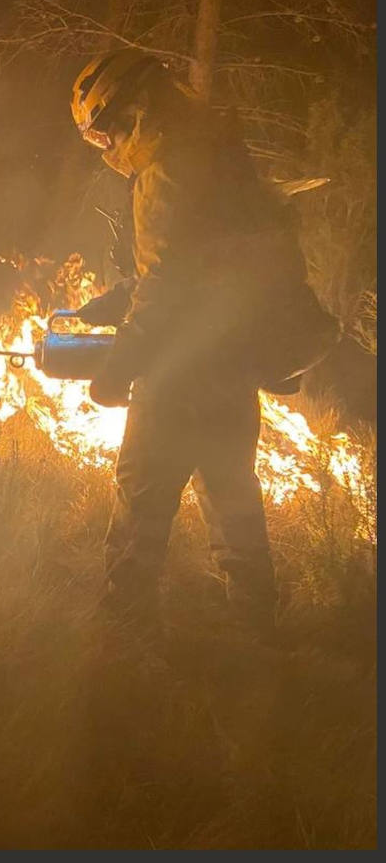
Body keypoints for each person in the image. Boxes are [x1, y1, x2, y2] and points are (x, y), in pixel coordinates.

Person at [68, 49, 339, 639]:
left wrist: (117, 370)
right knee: (232, 495)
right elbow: (207, 261)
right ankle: (256, 634)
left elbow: (168, 285)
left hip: (179, 371)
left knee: (141, 500)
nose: (108, 147)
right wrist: (120, 297)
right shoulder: (218, 150)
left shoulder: (165, 168)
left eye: (105, 133)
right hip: (234, 363)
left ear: (133, 111)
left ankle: (124, 634)